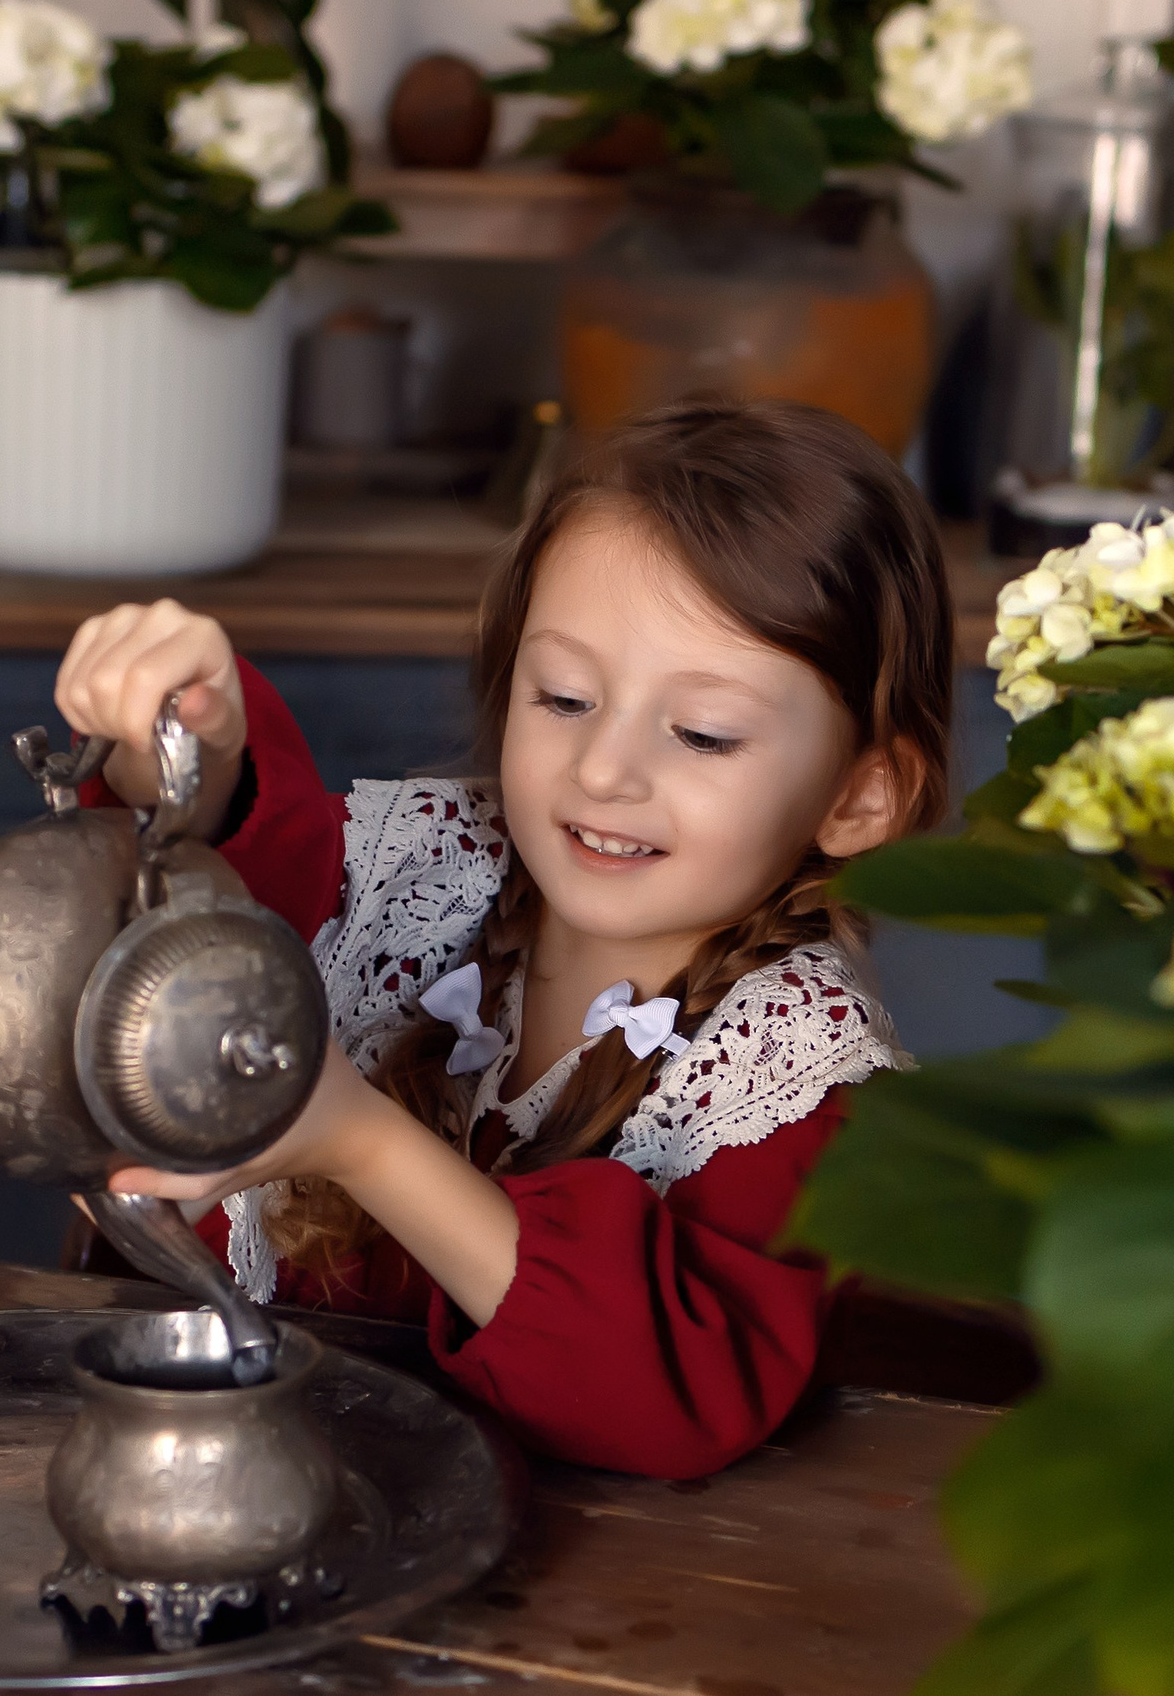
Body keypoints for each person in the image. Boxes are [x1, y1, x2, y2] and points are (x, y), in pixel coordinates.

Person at [54, 400, 955, 1479]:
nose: (604, 770)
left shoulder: (796, 1084)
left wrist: (361, 1141)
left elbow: (665, 1398)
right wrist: (176, 737)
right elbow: (228, 873)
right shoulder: (434, 866)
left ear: (860, 795)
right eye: (564, 698)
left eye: (703, 733)